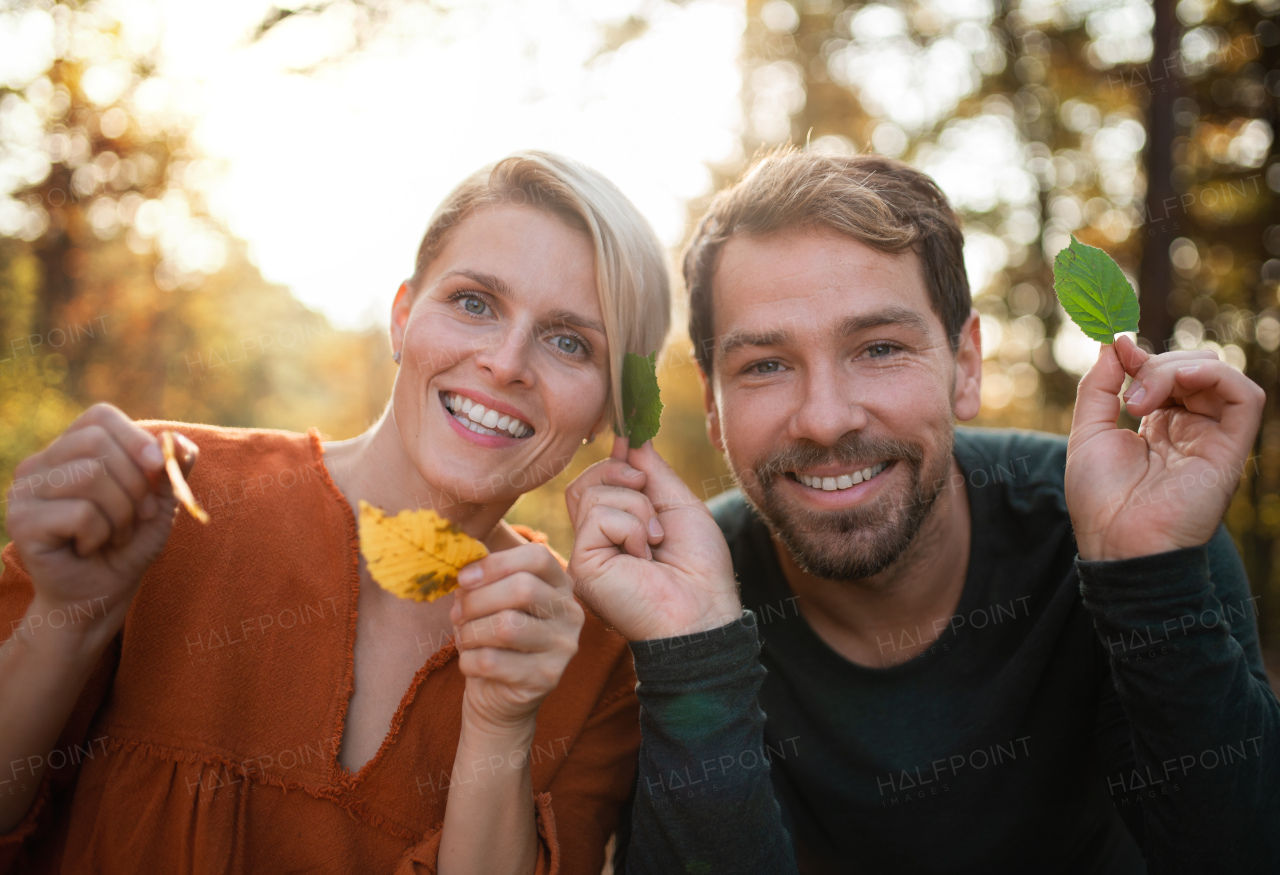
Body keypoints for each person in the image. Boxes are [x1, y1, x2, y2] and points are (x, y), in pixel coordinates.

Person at [566, 149, 1280, 873]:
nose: (824, 418)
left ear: (965, 366)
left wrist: (1152, 580)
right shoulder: (669, 597)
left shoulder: (1122, 518)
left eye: (878, 347)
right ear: (713, 405)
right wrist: (694, 656)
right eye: (766, 365)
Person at [0, 151, 670, 874]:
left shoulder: (592, 663)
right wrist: (67, 619)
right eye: (475, 302)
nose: (506, 362)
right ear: (403, 318)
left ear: (611, 413)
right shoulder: (165, 493)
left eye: (570, 341)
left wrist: (501, 721)